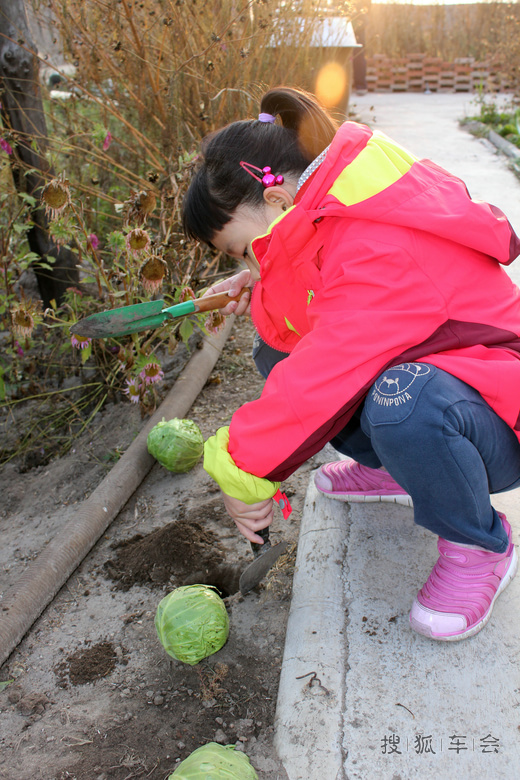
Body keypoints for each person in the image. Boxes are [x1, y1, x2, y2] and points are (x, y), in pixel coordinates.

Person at [182, 86, 520, 642]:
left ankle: (479, 543)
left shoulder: (379, 241)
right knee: (280, 351)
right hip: (449, 389)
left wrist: (242, 468)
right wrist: (264, 280)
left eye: (242, 248)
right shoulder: (334, 212)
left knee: (398, 398)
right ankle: (394, 468)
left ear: (274, 201)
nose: (248, 259)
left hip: (498, 422)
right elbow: (312, 317)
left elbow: (329, 365)